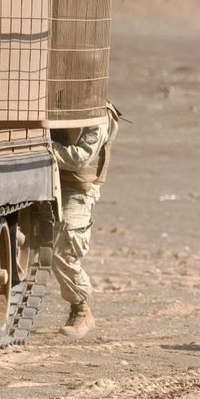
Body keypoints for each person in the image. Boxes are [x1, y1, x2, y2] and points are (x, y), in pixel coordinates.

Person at [50, 104, 120, 338]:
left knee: (63, 247)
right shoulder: (53, 103)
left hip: (77, 189)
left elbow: (79, 159)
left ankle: (80, 308)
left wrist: (43, 147)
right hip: (44, 179)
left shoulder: (98, 113)